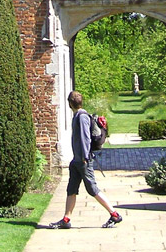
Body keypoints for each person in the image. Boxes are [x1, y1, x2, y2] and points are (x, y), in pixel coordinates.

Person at [50, 91, 123, 229]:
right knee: (71, 189)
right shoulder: (77, 116)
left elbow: (85, 138)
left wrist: (84, 157)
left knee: (92, 189)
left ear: (70, 103)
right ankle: (66, 219)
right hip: (76, 161)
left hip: (83, 160)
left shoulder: (82, 117)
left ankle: (114, 214)